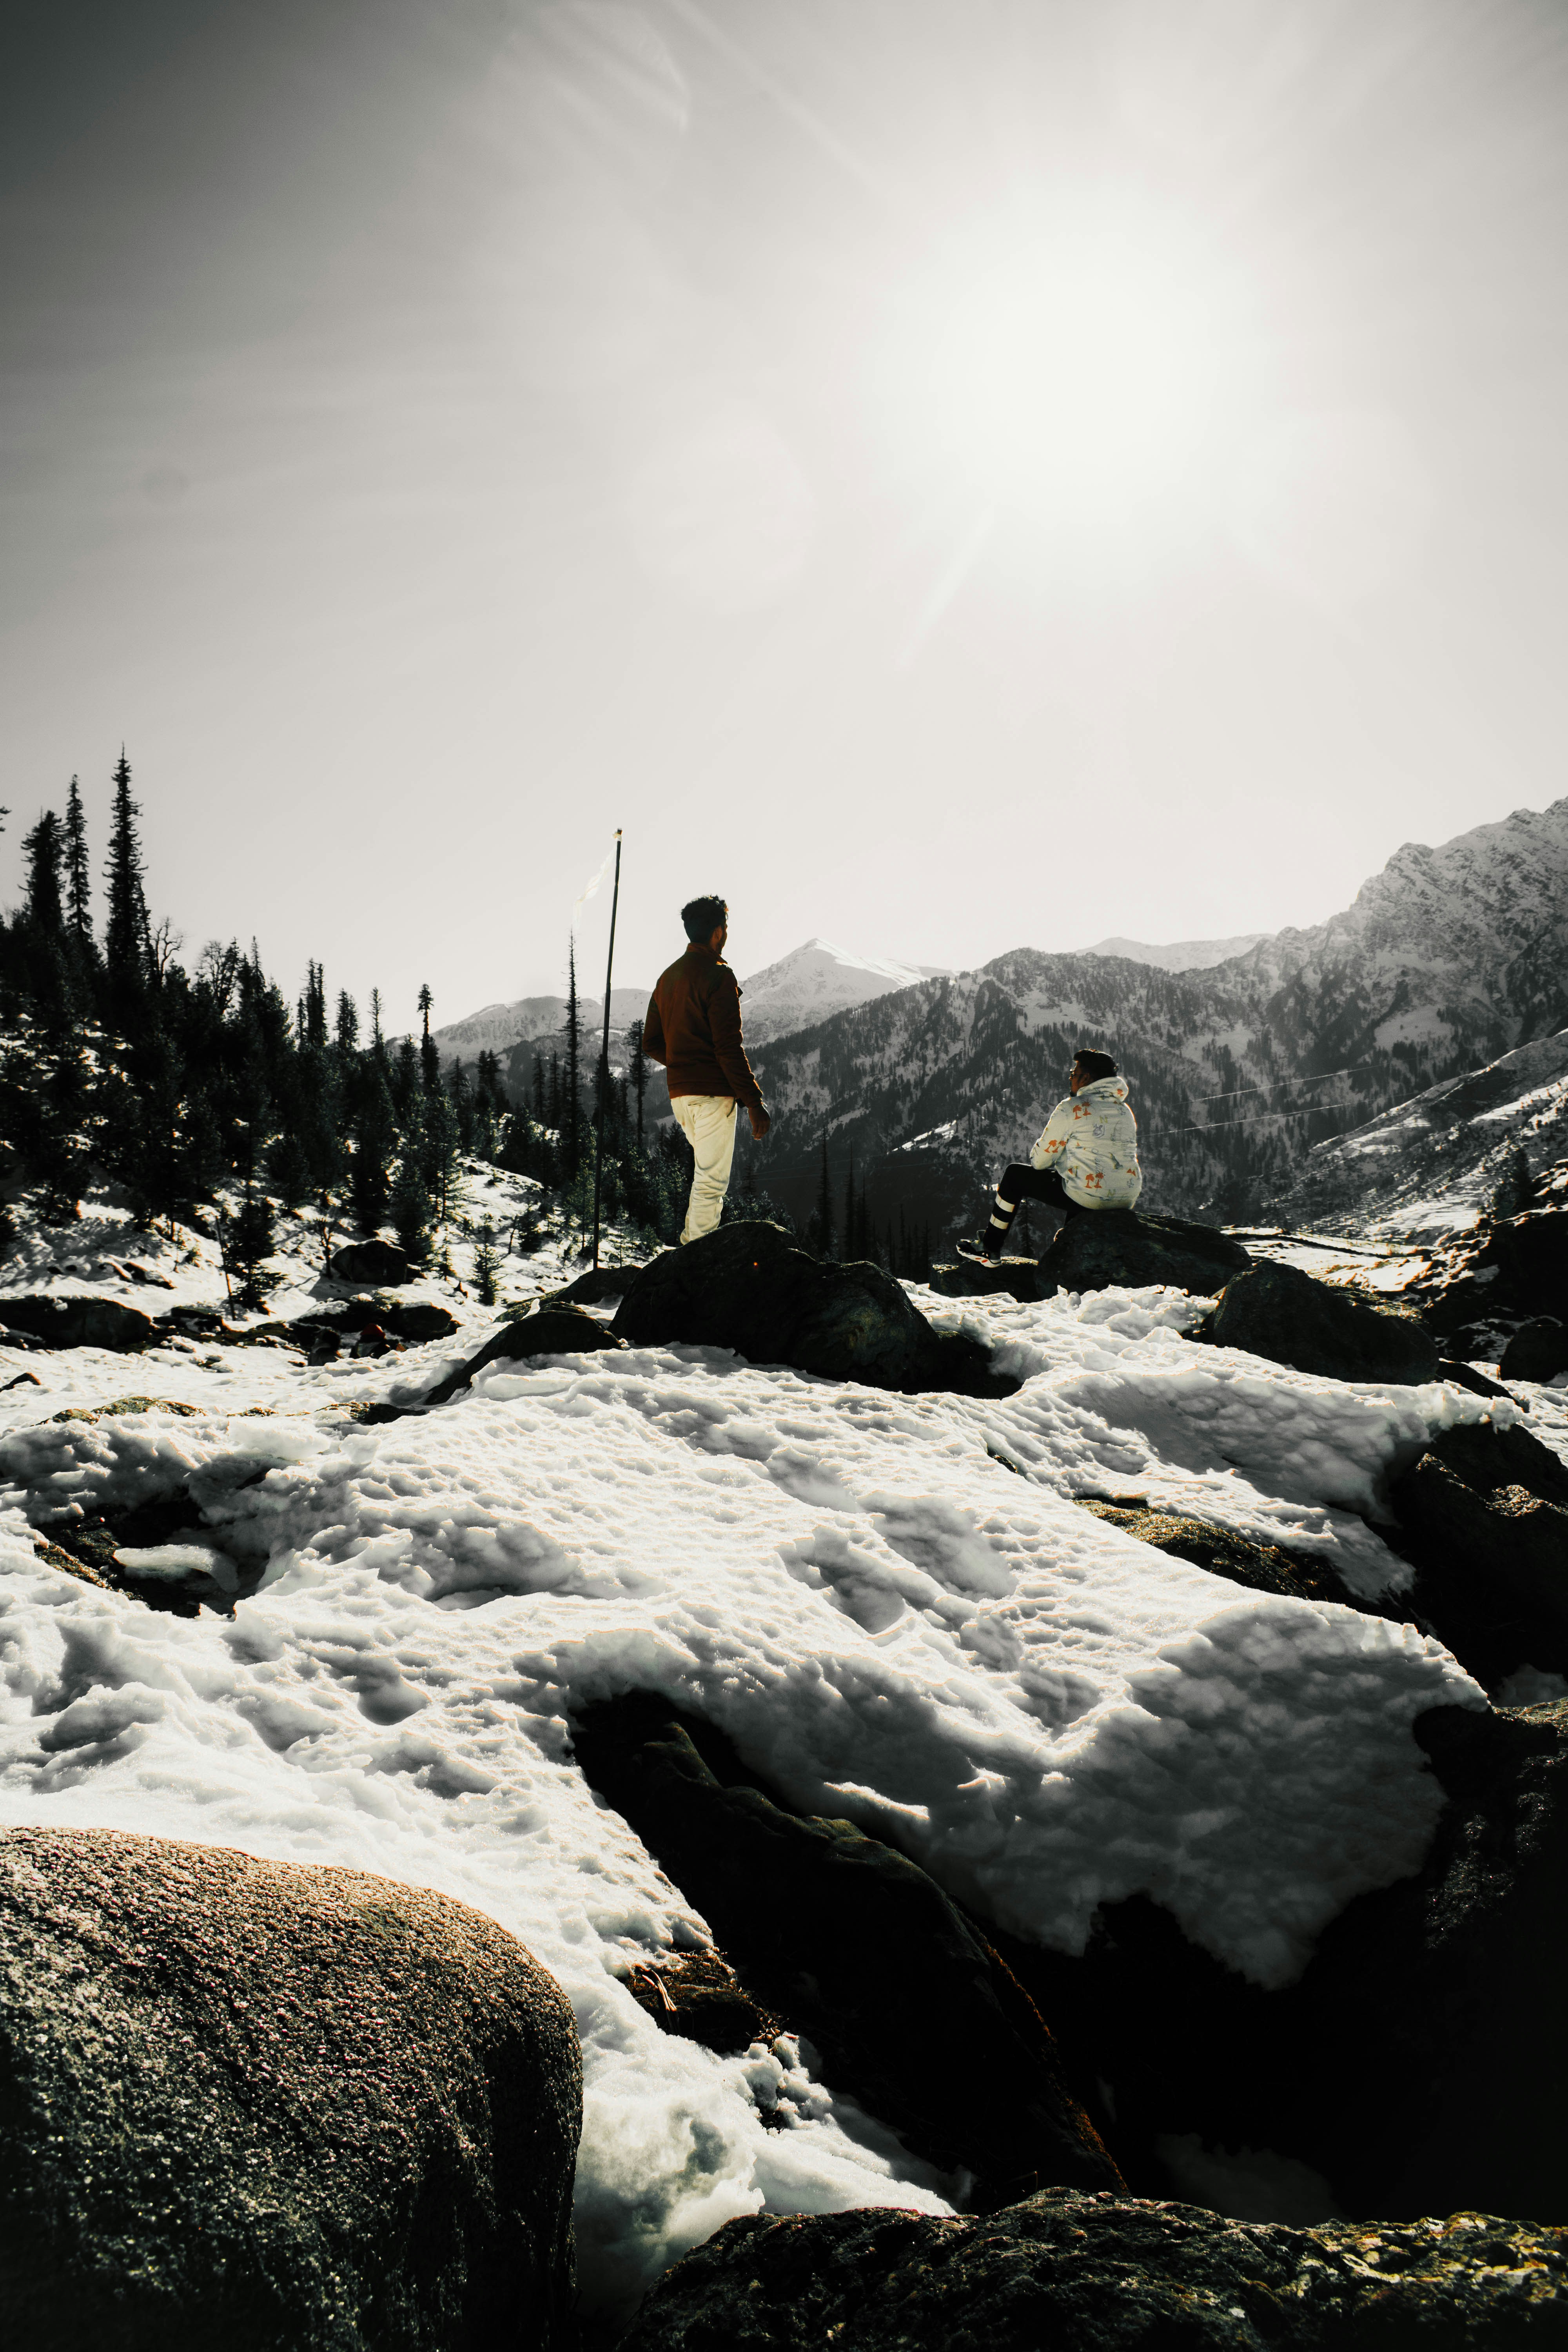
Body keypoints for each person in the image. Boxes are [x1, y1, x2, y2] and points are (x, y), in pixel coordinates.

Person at [642, 894, 771, 1243]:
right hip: (713, 1095)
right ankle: (695, 1257)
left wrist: (686, 1062)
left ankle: (691, 1250)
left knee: (704, 1177)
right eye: (726, 927)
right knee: (711, 1182)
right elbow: (728, 1047)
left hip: (680, 1097)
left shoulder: (667, 978)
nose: (727, 933)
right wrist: (755, 1103)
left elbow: (650, 1043)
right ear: (718, 932)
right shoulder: (720, 976)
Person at [957, 1049, 1142, 1262]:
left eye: (1074, 1074)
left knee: (1015, 1175)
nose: (1070, 1078)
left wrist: (1056, 1152)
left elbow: (1039, 1162)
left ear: (1086, 1078)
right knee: (1081, 1179)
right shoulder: (1124, 1110)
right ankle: (1072, 1240)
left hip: (1091, 1196)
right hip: (1127, 1195)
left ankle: (989, 1248)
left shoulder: (1072, 1108)